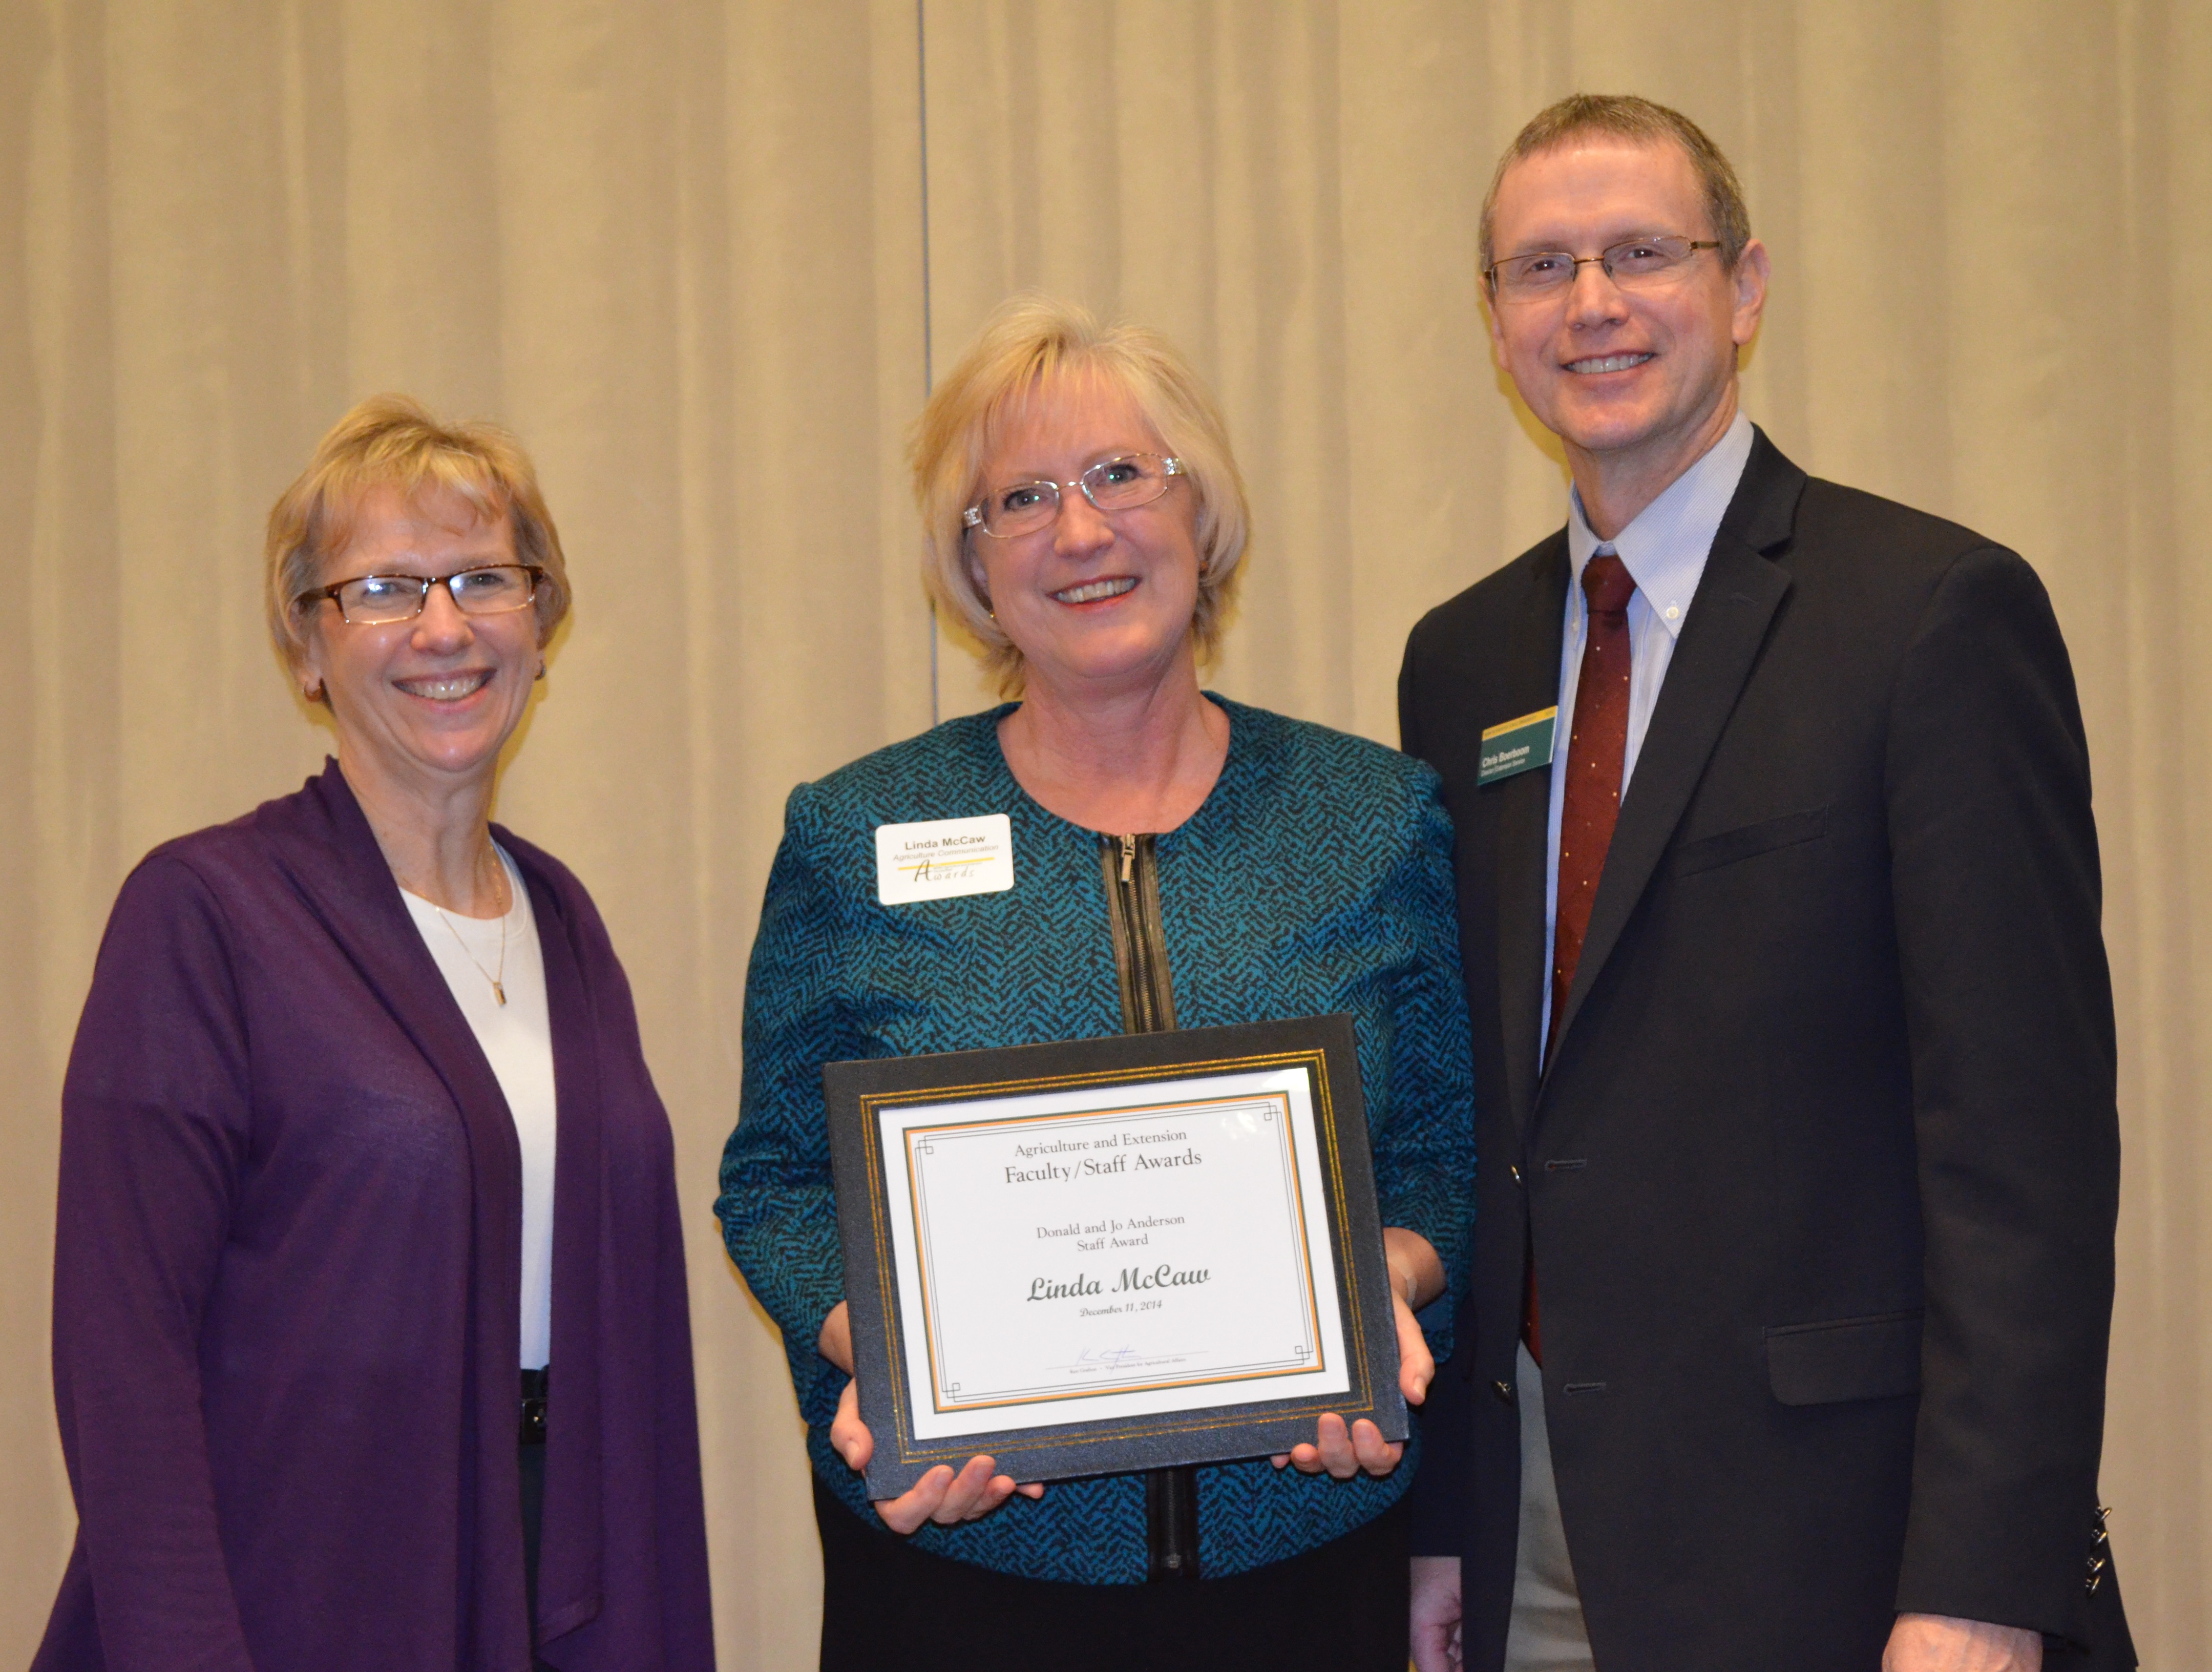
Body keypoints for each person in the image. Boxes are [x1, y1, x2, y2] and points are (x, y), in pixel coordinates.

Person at [1398, 95, 2134, 1672]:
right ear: (1495, 322)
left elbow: (2028, 1156)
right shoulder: (1457, 665)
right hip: (1535, 1530)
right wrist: (1448, 1528)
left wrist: (1984, 1586)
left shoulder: (1929, 615)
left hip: (1845, 1541)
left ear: (1744, 289)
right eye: (1541, 266)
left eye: (1642, 253)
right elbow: (1488, 1122)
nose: (1591, 303)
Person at [716, 296, 1476, 1672]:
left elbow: (1449, 1157)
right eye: (1021, 498)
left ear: (1204, 514)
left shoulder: (1371, 816)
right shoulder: (858, 832)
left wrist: (1385, 1281)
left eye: (1124, 475)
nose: (1081, 532)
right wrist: (884, 1362)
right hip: (966, 1581)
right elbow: (773, 1181)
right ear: (972, 563)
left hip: (1304, 1562)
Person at [33, 396, 715, 1672]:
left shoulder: (564, 917)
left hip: (551, 1572)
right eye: (386, 589)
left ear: (542, 620)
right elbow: (123, 1359)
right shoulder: (205, 914)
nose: (444, 628)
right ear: (307, 647)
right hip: (302, 1588)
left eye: (481, 580)